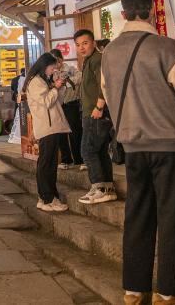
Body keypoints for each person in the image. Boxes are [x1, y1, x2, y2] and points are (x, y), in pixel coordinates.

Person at [100, 0, 175, 305]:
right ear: (152, 10)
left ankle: (134, 291)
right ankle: (168, 292)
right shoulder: (167, 47)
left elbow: (108, 96)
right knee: (172, 216)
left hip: (132, 146)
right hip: (170, 146)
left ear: (123, 13)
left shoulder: (109, 53)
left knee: (137, 216)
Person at [26, 52, 71, 213]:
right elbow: (46, 102)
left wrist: (59, 87)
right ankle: (47, 198)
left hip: (51, 126)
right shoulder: (36, 82)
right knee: (47, 164)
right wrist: (55, 87)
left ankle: (47, 197)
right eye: (52, 67)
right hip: (47, 127)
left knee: (49, 163)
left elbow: (57, 101)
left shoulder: (42, 80)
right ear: (45, 66)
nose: (54, 70)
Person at [76, 30, 116, 205]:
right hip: (93, 111)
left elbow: (104, 83)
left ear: (93, 43)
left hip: (96, 112)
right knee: (100, 151)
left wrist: (99, 106)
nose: (81, 48)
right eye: (78, 45)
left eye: (85, 43)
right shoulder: (88, 60)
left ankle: (99, 188)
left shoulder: (97, 59)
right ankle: (107, 189)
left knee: (87, 150)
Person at [50, 52, 83, 169]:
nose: (56, 63)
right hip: (57, 105)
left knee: (75, 131)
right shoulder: (51, 72)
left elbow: (80, 77)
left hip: (71, 103)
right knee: (60, 132)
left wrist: (67, 83)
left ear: (62, 59)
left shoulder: (70, 69)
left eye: (58, 60)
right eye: (53, 61)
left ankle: (79, 159)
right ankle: (66, 159)